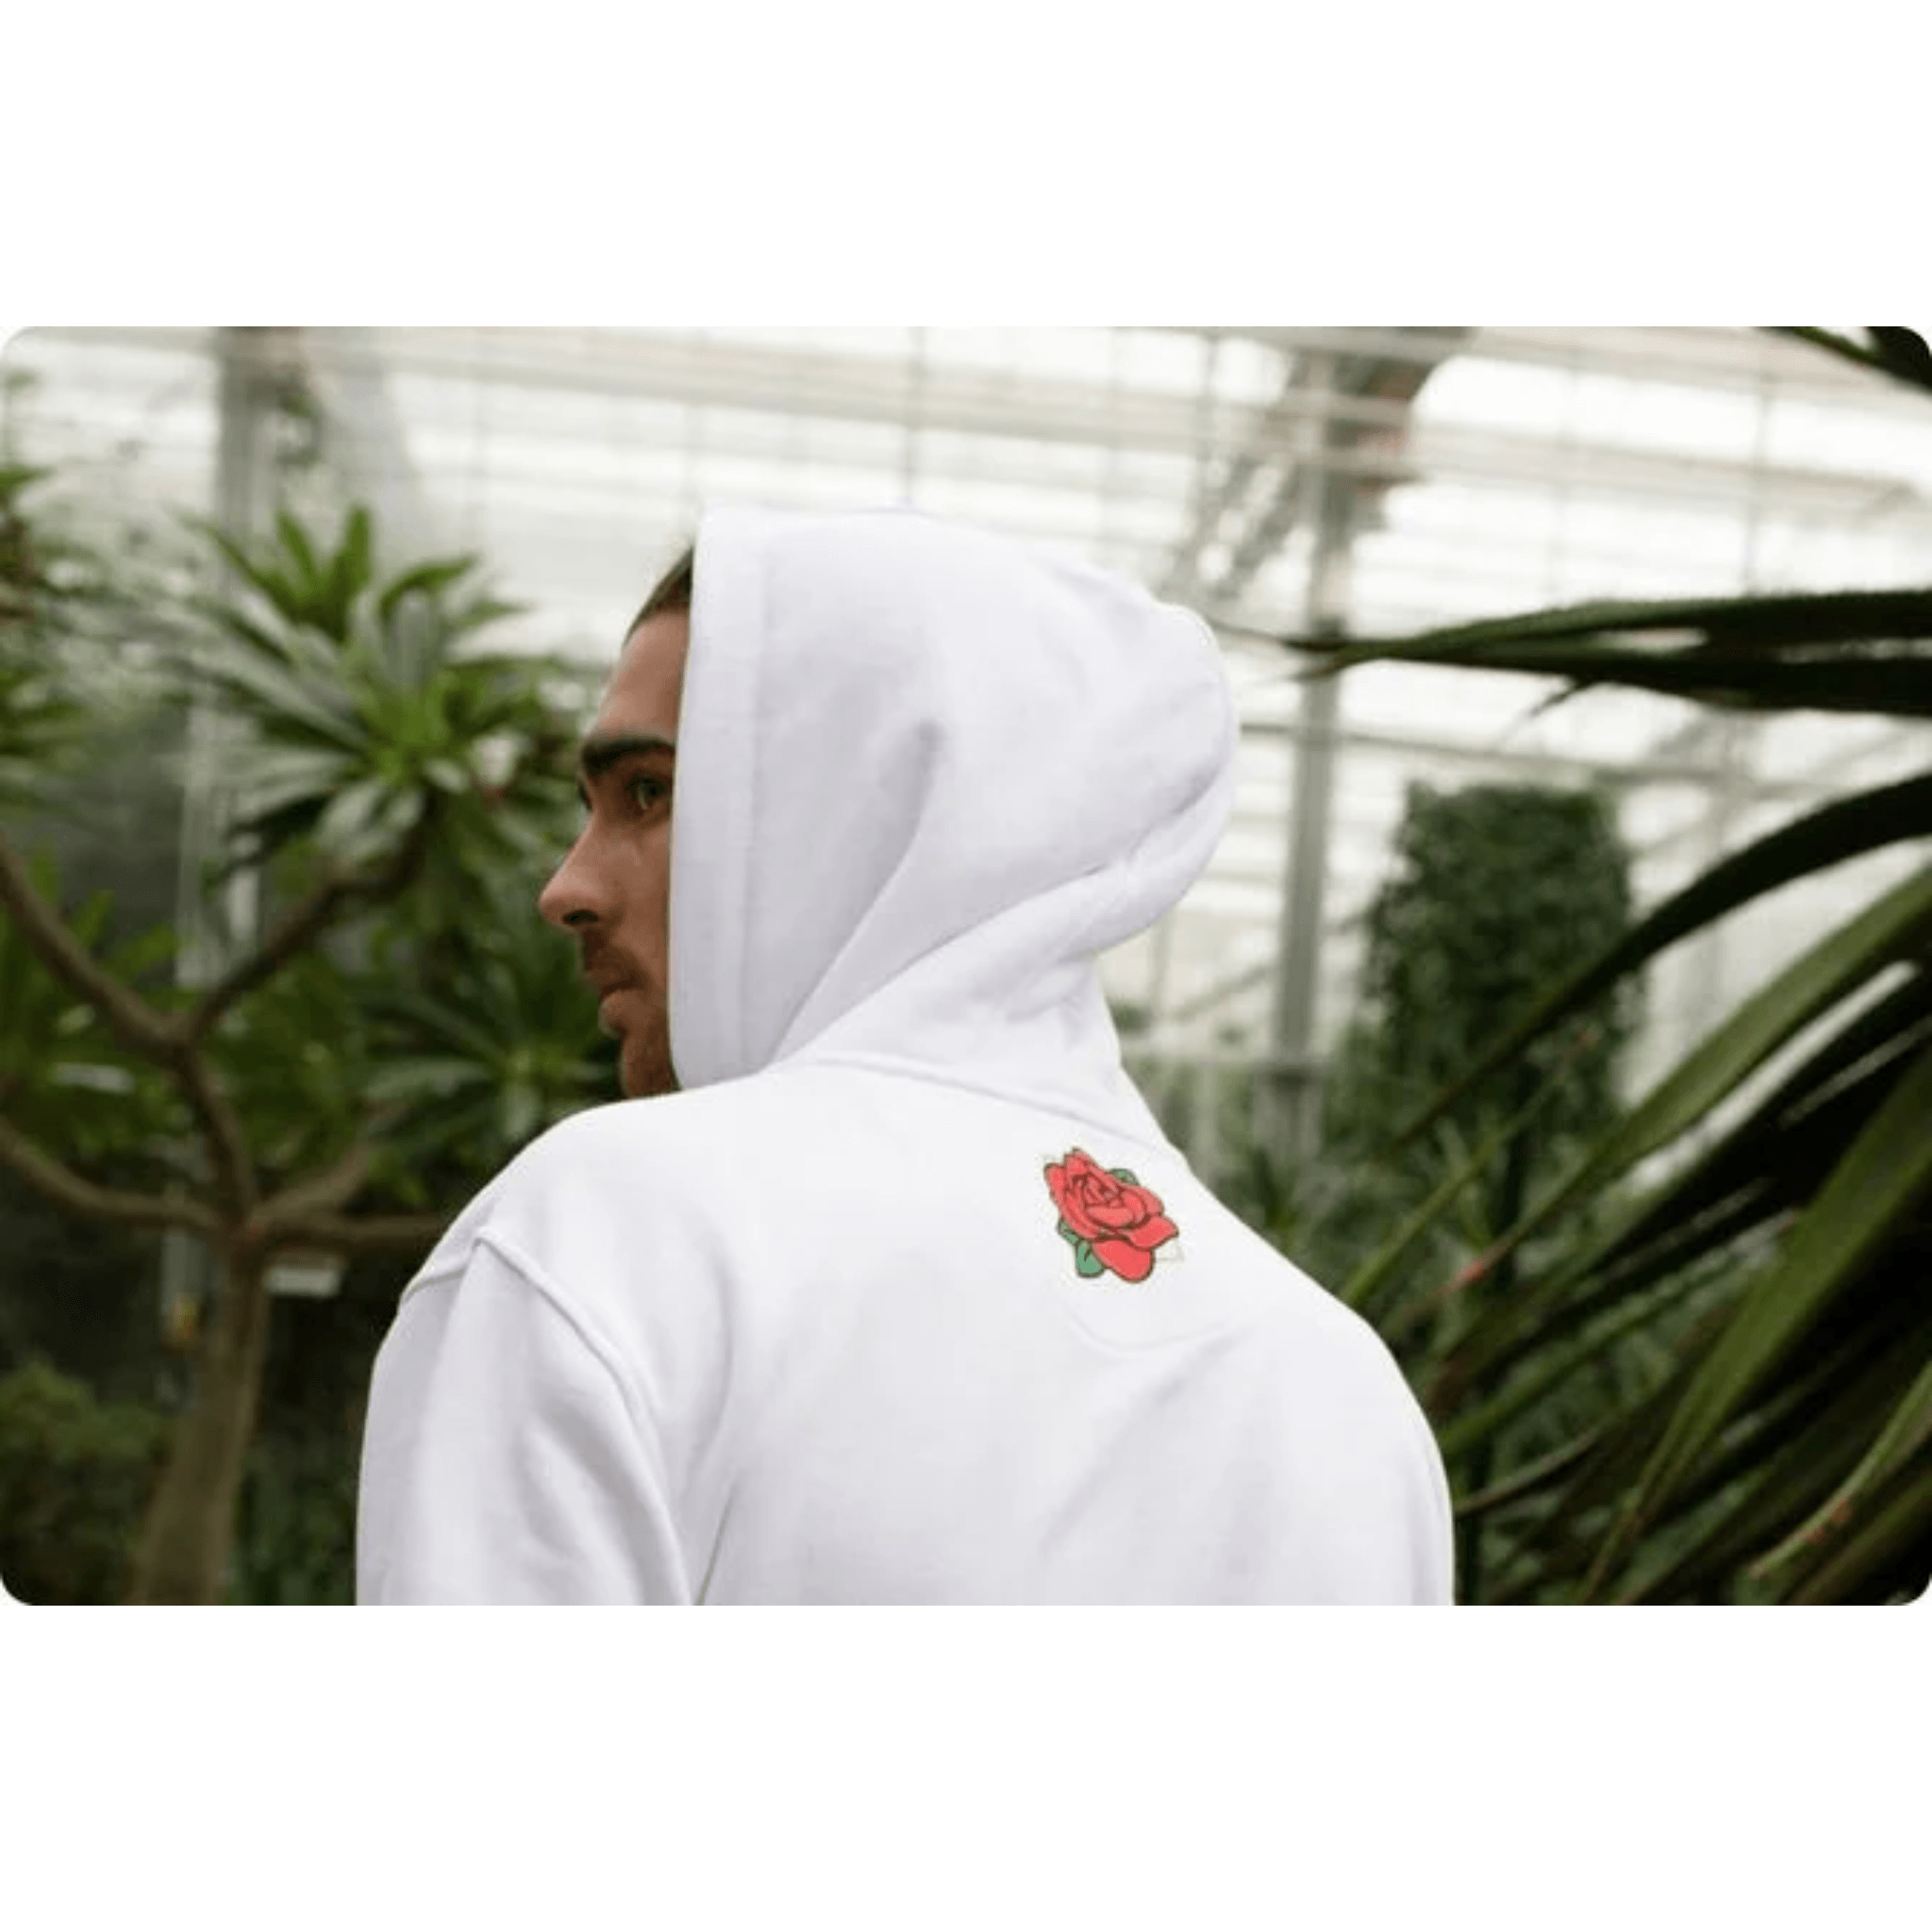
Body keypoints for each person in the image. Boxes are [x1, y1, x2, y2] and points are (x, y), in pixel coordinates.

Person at [355, 508, 1456, 1606]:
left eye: (649, 792)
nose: (568, 888)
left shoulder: (603, 1236)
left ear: (854, 801)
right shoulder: (1339, 1387)